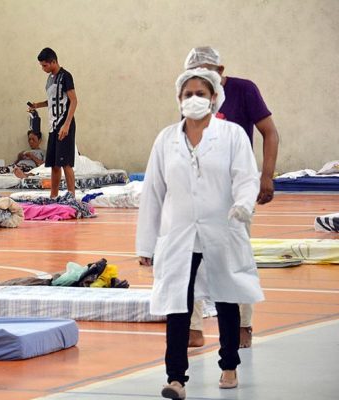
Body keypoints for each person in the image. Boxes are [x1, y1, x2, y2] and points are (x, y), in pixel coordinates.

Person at [135, 68, 264, 399]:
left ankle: (229, 365)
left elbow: (246, 176)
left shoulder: (232, 135)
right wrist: (146, 245)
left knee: (226, 296)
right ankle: (175, 378)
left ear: (214, 97)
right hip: (179, 233)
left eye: (201, 94)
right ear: (179, 99)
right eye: (188, 94)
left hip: (222, 227)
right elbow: (153, 192)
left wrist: (244, 204)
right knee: (177, 301)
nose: (194, 99)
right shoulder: (166, 139)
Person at [184, 46, 280, 348]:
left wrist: (266, 176)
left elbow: (270, 132)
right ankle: (193, 327)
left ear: (220, 71)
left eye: (206, 72)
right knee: (193, 259)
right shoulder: (193, 98)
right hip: (201, 192)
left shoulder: (244, 90)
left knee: (235, 257)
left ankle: (243, 326)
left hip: (236, 191)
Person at [28, 47, 78, 198]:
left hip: (64, 123)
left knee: (65, 162)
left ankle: (71, 196)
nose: (43, 68)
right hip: (53, 125)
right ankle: (53, 196)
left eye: (45, 65)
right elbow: (52, 100)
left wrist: (66, 125)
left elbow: (74, 100)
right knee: (54, 164)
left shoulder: (65, 76)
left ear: (53, 62)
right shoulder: (50, 79)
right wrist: (37, 105)